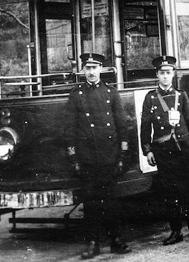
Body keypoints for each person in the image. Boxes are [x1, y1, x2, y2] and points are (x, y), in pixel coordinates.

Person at [64, 53, 132, 259]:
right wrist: (74, 159)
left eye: (95, 68)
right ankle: (92, 244)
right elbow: (70, 130)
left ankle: (116, 240)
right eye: (88, 68)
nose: (91, 72)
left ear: (101, 69)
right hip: (87, 159)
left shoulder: (111, 93)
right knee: (91, 204)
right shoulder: (76, 95)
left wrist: (122, 156)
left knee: (112, 202)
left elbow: (122, 126)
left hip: (109, 157)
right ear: (83, 70)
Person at [140, 55, 189, 245]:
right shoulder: (150, 98)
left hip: (184, 149)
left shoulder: (181, 95)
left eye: (168, 73)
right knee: (170, 194)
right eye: (162, 73)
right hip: (163, 151)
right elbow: (145, 127)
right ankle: (176, 232)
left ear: (173, 74)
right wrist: (147, 150)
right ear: (157, 75)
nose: (165, 76)